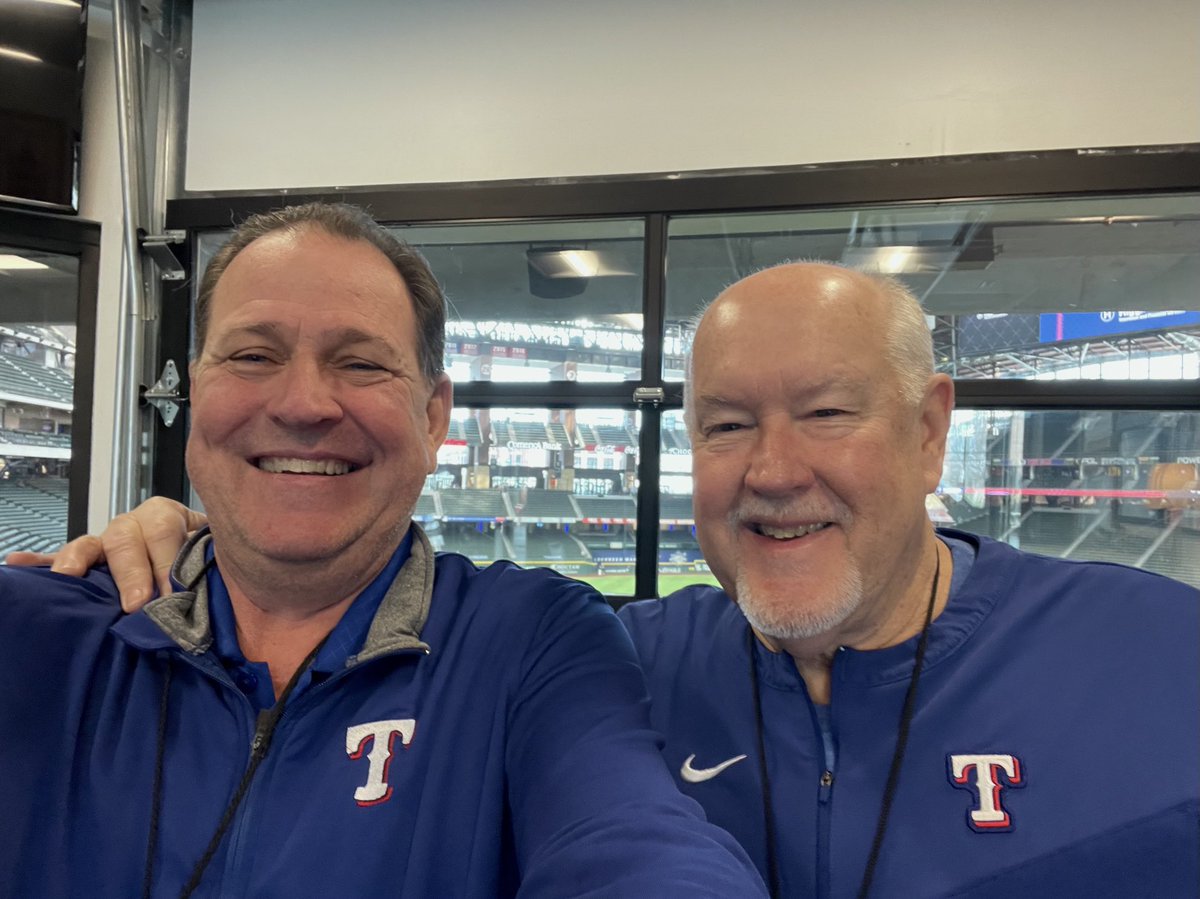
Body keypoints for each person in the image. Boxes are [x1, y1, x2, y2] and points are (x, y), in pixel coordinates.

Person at [27, 263, 1200, 897]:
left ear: (932, 429)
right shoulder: (610, 652)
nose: (774, 470)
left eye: (828, 414)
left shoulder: (1160, 654)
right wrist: (193, 528)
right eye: (727, 424)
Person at [0, 203, 766, 899]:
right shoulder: (40, 631)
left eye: (361, 363)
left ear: (435, 417)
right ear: (197, 390)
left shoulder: (531, 638)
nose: (302, 404)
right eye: (252, 356)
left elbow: (634, 843)